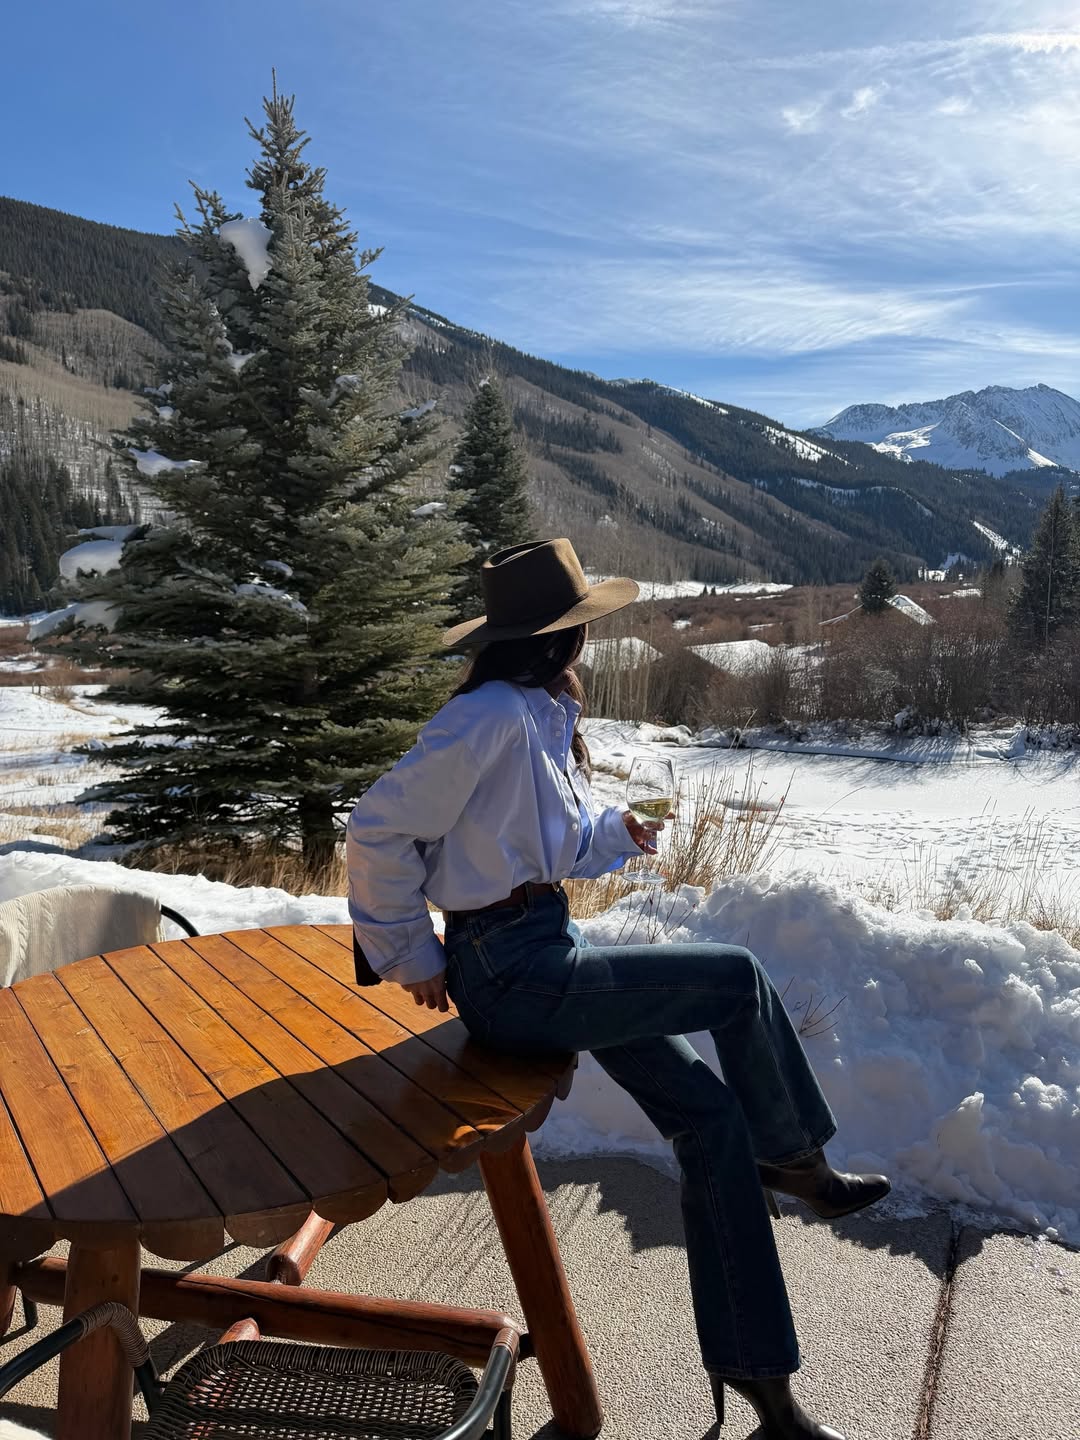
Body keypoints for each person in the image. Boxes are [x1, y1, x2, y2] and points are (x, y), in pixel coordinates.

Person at [346, 538, 889, 1440]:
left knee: (711, 1121)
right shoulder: (486, 720)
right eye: (581, 630)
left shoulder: (532, 715)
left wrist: (614, 830)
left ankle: (764, 1388)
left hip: (540, 946)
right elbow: (376, 829)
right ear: (559, 640)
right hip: (510, 971)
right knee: (737, 978)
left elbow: (536, 848)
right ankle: (795, 1160)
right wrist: (413, 957)